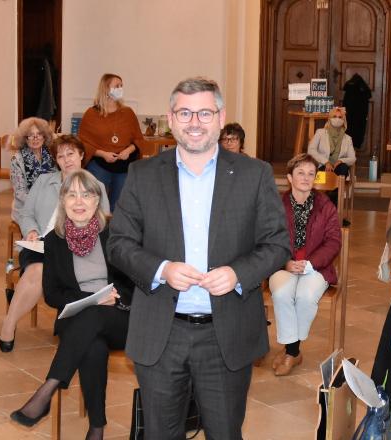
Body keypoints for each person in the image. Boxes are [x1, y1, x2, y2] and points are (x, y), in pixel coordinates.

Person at [107, 77, 289, 439]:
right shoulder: (143, 174)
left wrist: (238, 274)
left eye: (204, 113)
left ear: (220, 118)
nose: (195, 122)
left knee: (224, 433)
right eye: (185, 113)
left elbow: (277, 244)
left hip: (225, 335)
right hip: (162, 329)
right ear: (171, 120)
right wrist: (162, 269)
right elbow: (118, 243)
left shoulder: (254, 175)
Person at [10, 170, 129, 440]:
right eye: (72, 194)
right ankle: (96, 429)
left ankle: (47, 389)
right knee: (93, 348)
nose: (79, 201)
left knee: (96, 315)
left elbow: (133, 282)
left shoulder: (115, 234)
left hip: (118, 315)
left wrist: (112, 297)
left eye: (86, 194)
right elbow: (52, 294)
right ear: (62, 201)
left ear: (97, 200)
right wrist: (87, 301)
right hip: (76, 318)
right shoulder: (53, 241)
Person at [0, 135, 110, 352]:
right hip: (41, 243)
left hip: (80, 248)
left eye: (71, 154)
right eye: (60, 156)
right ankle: (9, 324)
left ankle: (75, 327)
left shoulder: (97, 186)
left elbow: (104, 223)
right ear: (56, 161)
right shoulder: (43, 182)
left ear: (81, 156)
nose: (66, 159)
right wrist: (31, 230)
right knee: (37, 270)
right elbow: (26, 213)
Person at [268, 154, 341, 376]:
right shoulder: (276, 205)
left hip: (316, 267)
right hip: (283, 265)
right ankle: (293, 351)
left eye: (311, 173)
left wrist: (311, 263)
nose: (306, 177)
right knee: (281, 294)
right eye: (300, 172)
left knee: (306, 297)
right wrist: (286, 262)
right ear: (289, 177)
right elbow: (268, 238)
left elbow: (334, 241)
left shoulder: (325, 205)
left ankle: (291, 351)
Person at [78, 73, 144, 209]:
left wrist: (128, 150)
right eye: (117, 86)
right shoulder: (91, 114)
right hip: (100, 165)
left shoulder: (128, 113)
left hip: (124, 166)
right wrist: (102, 154)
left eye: (121, 86)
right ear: (106, 89)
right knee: (96, 204)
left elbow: (138, 139)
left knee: (119, 206)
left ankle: (114, 230)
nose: (120, 89)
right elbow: (83, 143)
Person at [8, 117, 57, 213]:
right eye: (30, 135)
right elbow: (20, 193)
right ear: (24, 138)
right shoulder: (17, 160)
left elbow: (57, 183)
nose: (35, 138)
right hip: (27, 208)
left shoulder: (52, 155)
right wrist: (42, 205)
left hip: (51, 204)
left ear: (45, 136)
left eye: (39, 134)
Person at [307, 106, 356, 177]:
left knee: (343, 168)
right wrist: (326, 162)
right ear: (330, 119)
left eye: (340, 117)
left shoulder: (348, 139)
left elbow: (352, 158)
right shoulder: (320, 133)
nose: (337, 119)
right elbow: (311, 150)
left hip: (337, 168)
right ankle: (327, 187)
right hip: (322, 166)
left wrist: (341, 161)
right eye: (334, 116)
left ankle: (338, 187)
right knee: (324, 173)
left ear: (343, 120)